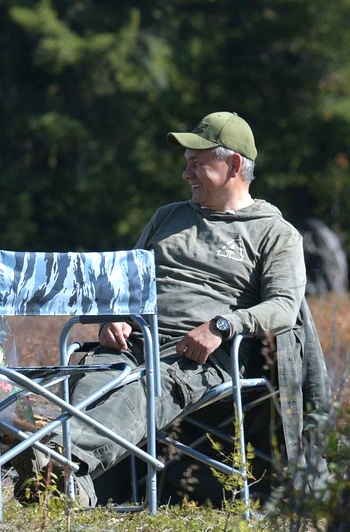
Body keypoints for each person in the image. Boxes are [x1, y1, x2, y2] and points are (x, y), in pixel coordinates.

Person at [21, 111, 328, 504]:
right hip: (134, 342)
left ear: (234, 164)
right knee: (97, 378)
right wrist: (113, 318)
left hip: (200, 356)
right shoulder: (168, 217)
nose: (186, 174)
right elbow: (123, 283)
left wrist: (221, 326)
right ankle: (65, 481)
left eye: (197, 163)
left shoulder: (274, 232)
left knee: (149, 387)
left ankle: (59, 463)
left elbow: (284, 307)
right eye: (187, 163)